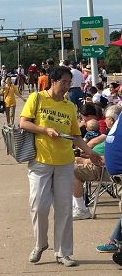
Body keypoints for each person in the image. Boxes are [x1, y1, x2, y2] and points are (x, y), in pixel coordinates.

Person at [20, 66, 103, 267]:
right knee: (39, 206)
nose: (66, 86)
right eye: (63, 82)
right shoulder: (37, 98)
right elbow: (23, 123)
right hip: (40, 161)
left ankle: (63, 252)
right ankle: (40, 244)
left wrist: (90, 153)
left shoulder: (68, 106)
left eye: (69, 83)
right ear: (53, 81)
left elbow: (76, 135)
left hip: (65, 162)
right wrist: (44, 129)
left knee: (64, 209)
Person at [72, 105, 122, 220]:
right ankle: (77, 207)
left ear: (112, 120)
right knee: (68, 167)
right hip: (105, 167)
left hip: (105, 170)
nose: (104, 120)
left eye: (106, 118)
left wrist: (87, 160)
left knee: (70, 170)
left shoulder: (115, 132)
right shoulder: (112, 131)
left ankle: (80, 209)